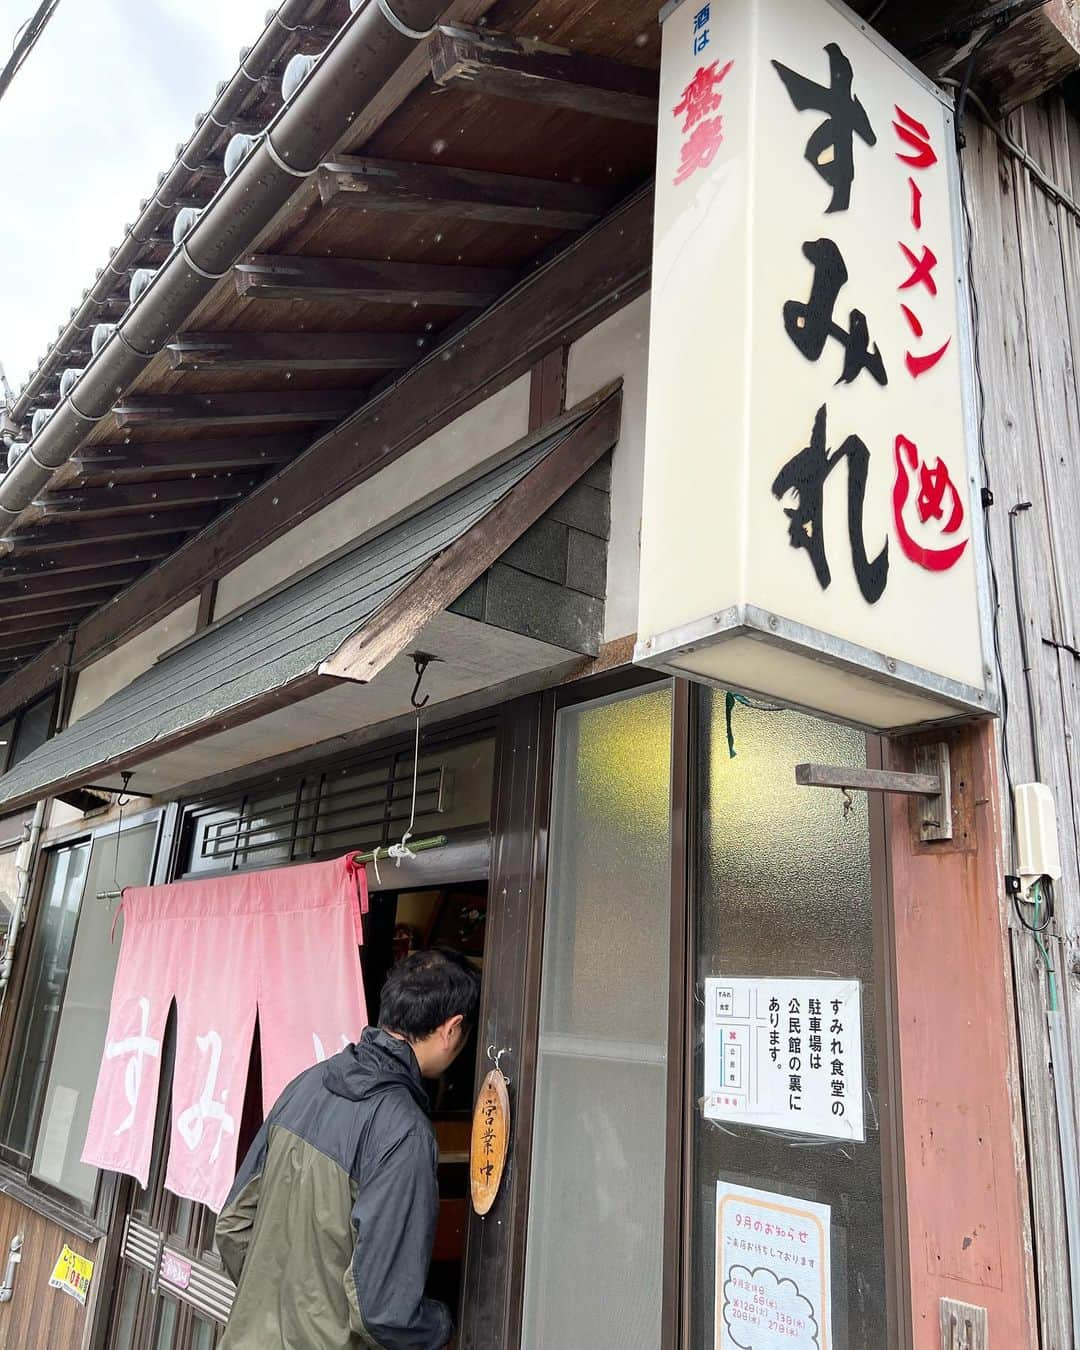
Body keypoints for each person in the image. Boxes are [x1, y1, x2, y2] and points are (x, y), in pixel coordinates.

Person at [216, 947, 480, 1349]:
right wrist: (445, 1329)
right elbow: (383, 1312)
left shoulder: (306, 1084)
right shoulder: (404, 1131)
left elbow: (233, 1226)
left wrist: (272, 1309)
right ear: (452, 1028)